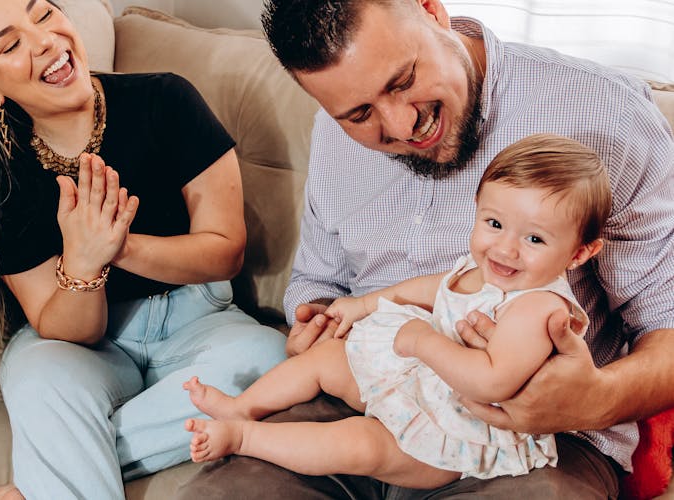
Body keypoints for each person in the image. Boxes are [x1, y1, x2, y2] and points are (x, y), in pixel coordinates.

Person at [176, 0, 674, 498]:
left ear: (432, 10)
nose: (400, 125)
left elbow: (666, 322)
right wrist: (320, 321)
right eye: (361, 114)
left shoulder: (605, 112)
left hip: (528, 433)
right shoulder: (334, 131)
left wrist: (596, 399)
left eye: (402, 80)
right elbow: (319, 283)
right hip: (368, 384)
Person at [0, 0, 287, 498]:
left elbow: (225, 251)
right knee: (37, 374)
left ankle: (42, 479)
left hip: (197, 317)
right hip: (84, 343)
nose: (45, 40)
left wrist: (116, 247)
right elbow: (69, 330)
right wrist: (84, 260)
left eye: (44, 13)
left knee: (268, 358)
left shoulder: (167, 99)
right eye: (9, 45)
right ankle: (60, 455)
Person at [181, 134, 609, 487]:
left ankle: (245, 437)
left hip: (457, 432)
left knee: (361, 444)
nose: (505, 248)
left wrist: (421, 341)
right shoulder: (488, 269)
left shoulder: (538, 307)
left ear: (579, 253)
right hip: (421, 387)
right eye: (493, 224)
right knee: (328, 358)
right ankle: (244, 407)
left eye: (535, 239)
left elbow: (491, 381)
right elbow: (430, 288)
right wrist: (364, 304)